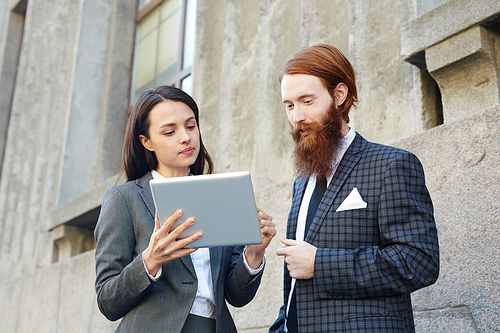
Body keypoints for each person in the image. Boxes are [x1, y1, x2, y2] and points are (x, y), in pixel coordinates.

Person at [269, 44, 439, 333]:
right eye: (289, 105)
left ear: (339, 95)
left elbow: (419, 261)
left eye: (307, 101)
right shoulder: (302, 181)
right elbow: (298, 279)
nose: (296, 116)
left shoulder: (392, 164)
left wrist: (320, 264)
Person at [94, 85, 276, 333]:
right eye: (170, 131)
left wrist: (253, 254)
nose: (185, 137)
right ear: (146, 142)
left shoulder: (221, 194)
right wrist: (150, 260)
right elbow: (107, 301)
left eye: (190, 126)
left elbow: (237, 296)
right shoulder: (124, 199)